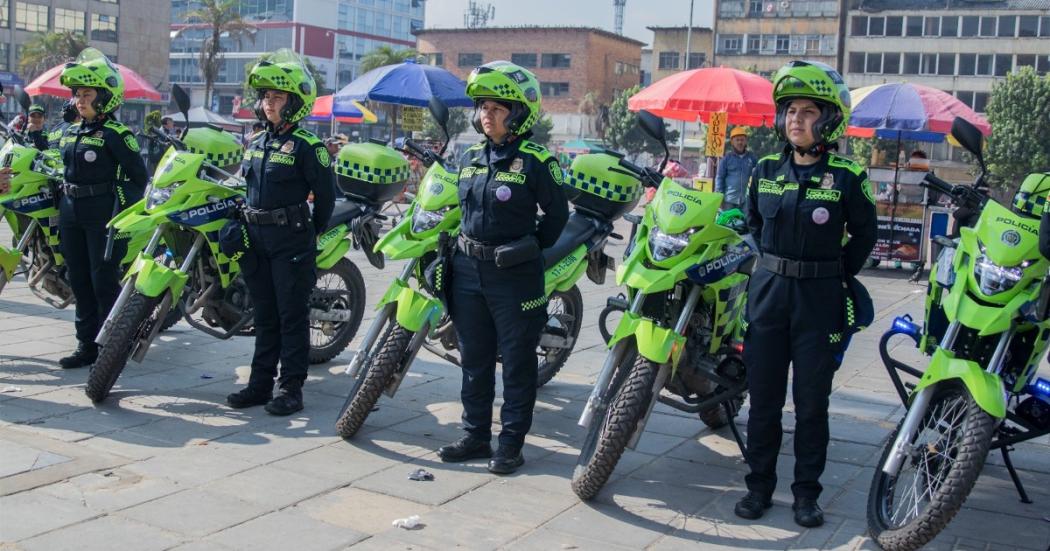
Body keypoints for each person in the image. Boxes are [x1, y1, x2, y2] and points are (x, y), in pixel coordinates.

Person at [737, 60, 877, 527]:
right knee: (764, 401)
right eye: (790, 109)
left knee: (813, 403)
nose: (796, 118)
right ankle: (758, 488)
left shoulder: (848, 176)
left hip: (820, 300)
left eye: (808, 111)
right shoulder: (763, 169)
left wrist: (834, 276)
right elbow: (753, 224)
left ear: (830, 119)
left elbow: (863, 236)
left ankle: (806, 496)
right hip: (769, 294)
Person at [437, 60, 568, 474]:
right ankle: (476, 435)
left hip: (514, 277)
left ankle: (510, 443)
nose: (486, 115)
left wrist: (527, 250)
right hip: (468, 272)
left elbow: (557, 217)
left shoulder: (536, 160)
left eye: (496, 108)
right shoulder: (471, 157)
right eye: (482, 108)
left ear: (518, 113)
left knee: (516, 362)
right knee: (474, 359)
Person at [225, 49, 335, 416]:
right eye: (265, 97)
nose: (268, 103)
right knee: (264, 314)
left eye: (276, 97)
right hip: (255, 241)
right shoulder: (257, 142)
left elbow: (326, 199)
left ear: (295, 103)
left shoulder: (309, 147)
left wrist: (309, 236)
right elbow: (245, 189)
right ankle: (259, 385)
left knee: (291, 316)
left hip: (291, 242)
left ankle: (290, 389)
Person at [55, 48, 149, 369]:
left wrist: (119, 213)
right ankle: (86, 346)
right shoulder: (70, 132)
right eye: (77, 94)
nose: (80, 100)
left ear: (105, 96)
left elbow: (139, 178)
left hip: (103, 215)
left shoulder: (117, 134)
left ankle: (110, 347)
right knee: (78, 280)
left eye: (88, 94)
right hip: (70, 212)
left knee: (103, 282)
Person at [715, 126, 758, 211]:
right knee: (728, 224)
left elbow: (758, 176)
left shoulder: (752, 158)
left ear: (746, 141)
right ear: (732, 142)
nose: (740, 142)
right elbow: (720, 178)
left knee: (746, 223)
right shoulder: (726, 159)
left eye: (742, 140)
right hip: (729, 200)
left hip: (747, 201)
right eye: (737, 140)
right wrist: (719, 197)